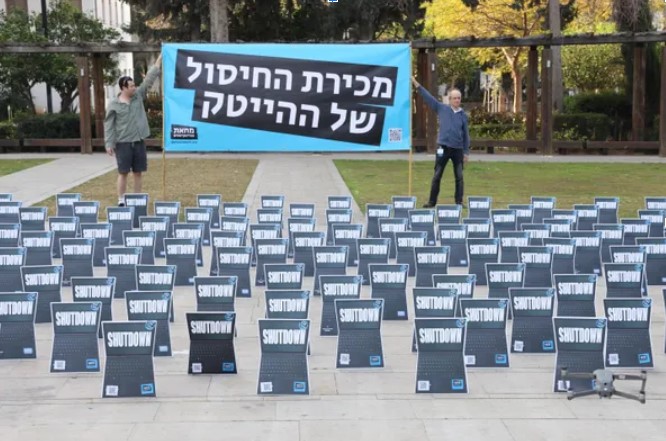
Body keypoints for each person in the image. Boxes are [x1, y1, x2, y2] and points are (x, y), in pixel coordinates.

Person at [104, 54, 162, 206]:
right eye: (131, 86)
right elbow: (109, 125)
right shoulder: (114, 105)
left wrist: (158, 61)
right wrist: (109, 143)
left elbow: (148, 80)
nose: (134, 88)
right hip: (122, 143)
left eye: (134, 85)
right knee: (123, 172)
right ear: (123, 88)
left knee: (138, 172)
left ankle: (137, 199)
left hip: (138, 141)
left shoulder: (138, 96)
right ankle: (121, 199)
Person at [412, 76, 470, 208]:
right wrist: (417, 84)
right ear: (449, 100)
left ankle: (459, 202)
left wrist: (466, 152)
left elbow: (466, 135)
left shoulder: (463, 115)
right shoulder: (441, 108)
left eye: (459, 98)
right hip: (442, 148)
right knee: (437, 174)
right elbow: (428, 98)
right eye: (454, 98)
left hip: (458, 150)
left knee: (459, 177)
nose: (457, 100)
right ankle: (432, 202)